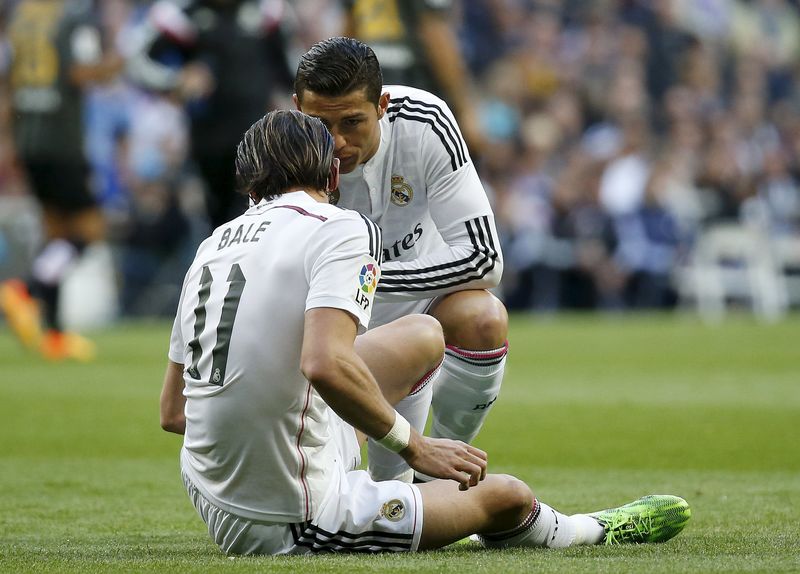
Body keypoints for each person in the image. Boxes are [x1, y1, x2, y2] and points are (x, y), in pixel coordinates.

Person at [159, 109, 690, 555]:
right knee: (505, 496)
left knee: (420, 333)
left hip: (211, 489)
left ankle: (391, 489)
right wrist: (414, 445)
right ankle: (589, 531)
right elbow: (322, 363)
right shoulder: (341, 226)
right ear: (331, 177)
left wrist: (275, 429)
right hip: (289, 516)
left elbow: (175, 413)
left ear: (249, 181)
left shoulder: (213, 244)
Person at [293, 37, 505, 482]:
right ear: (297, 108)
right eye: (319, 125)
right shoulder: (283, 151)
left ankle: (445, 477)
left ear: (383, 105)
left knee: (483, 317)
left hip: (414, 300)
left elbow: (486, 260)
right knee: (347, 482)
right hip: (328, 328)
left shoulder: (425, 122)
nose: (336, 143)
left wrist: (363, 279)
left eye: (353, 122)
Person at [0, 0, 122, 360]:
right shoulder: (75, 15)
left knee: (55, 233)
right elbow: (80, 72)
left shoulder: (21, 14)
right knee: (90, 230)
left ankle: (53, 334)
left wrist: (10, 139)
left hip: (29, 138)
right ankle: (25, 288)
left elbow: (9, 78)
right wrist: (114, 65)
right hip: (63, 141)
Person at [126, 0, 294, 230]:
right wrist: (175, 80)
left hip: (261, 142)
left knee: (261, 221)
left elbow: (294, 72)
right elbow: (135, 62)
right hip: (209, 145)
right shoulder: (182, 14)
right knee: (218, 226)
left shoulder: (267, 9)